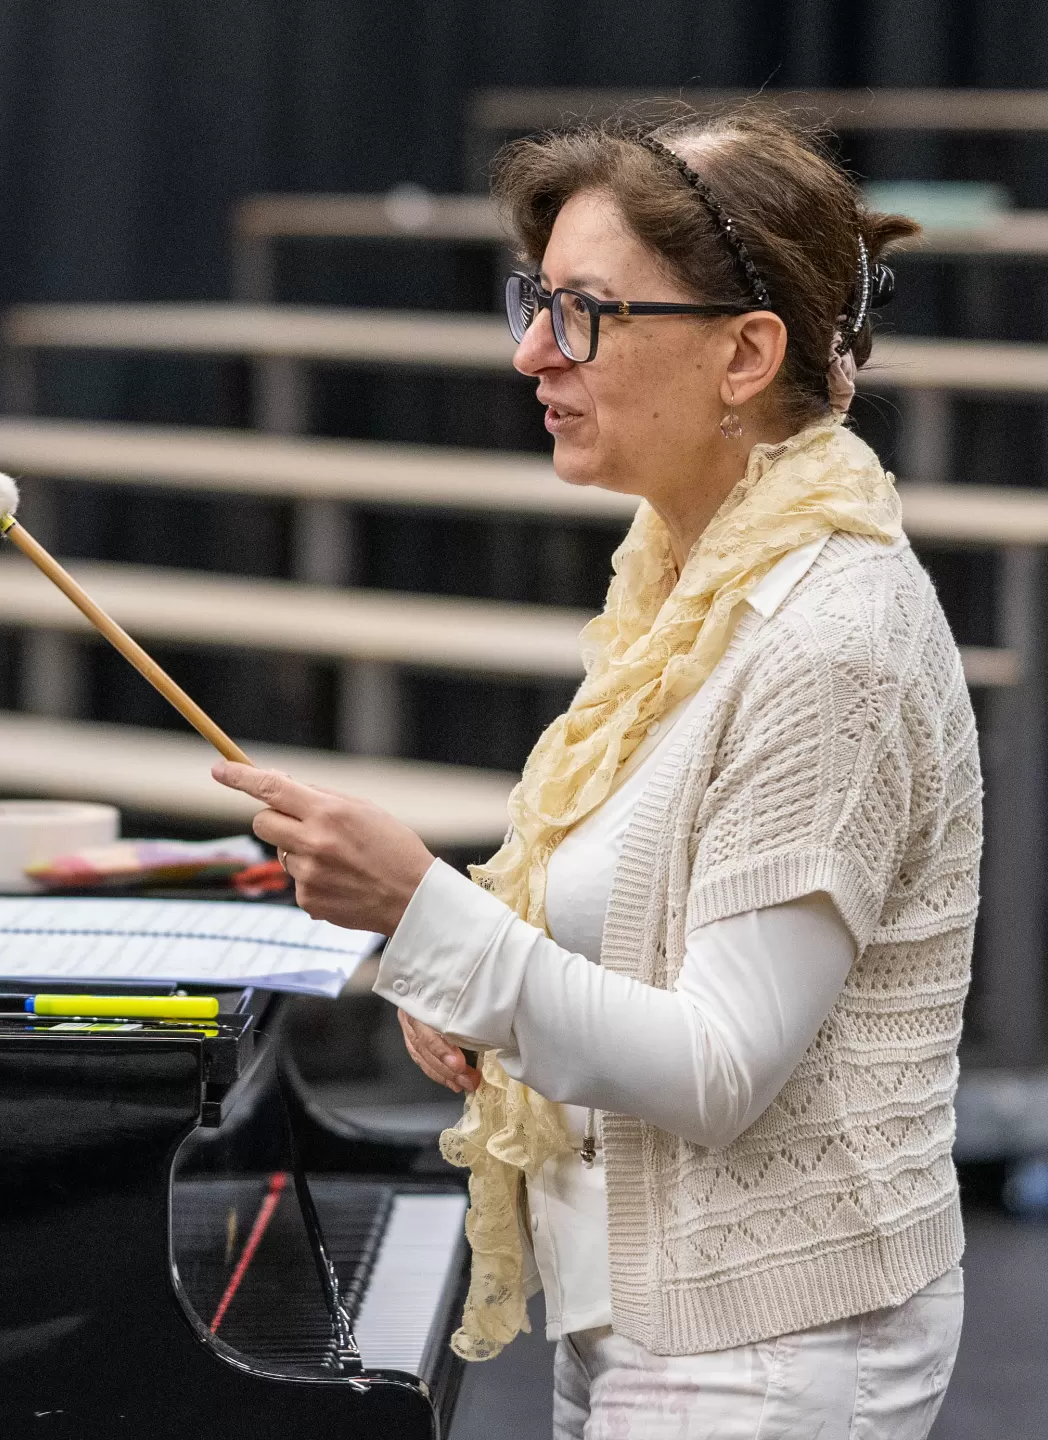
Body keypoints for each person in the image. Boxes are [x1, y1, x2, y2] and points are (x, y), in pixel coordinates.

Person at [213, 105, 979, 1440]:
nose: (530, 352)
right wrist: (463, 966)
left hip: (769, 1348)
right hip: (656, 1319)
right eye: (535, 301)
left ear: (746, 353)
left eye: (582, 312)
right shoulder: (682, 585)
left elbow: (720, 1062)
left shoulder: (828, 637)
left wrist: (423, 917)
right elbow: (638, 929)